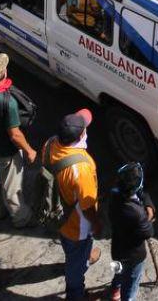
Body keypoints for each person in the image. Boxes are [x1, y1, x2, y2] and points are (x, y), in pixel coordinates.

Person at [43, 109, 102, 301]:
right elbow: (87, 206)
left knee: (71, 248)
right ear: (80, 136)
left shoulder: (50, 143)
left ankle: (82, 258)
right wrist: (96, 224)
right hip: (77, 226)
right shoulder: (81, 168)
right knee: (75, 266)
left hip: (56, 214)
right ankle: (75, 294)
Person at [0, 54, 38, 229]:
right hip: (6, 151)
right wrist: (29, 150)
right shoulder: (6, 102)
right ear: (3, 73)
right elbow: (15, 134)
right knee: (12, 187)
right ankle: (21, 218)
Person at [108, 161, 155, 301]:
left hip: (117, 247)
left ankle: (115, 288)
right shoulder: (137, 213)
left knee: (119, 270)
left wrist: (144, 199)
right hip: (133, 256)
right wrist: (149, 214)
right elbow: (148, 232)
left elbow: (139, 193)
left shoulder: (114, 194)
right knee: (131, 284)